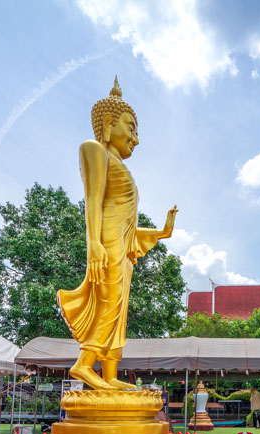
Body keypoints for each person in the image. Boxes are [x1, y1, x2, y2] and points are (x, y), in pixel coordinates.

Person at [57, 77, 178, 390]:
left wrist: (162, 232)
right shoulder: (94, 150)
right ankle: (84, 365)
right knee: (108, 302)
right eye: (131, 127)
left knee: (119, 310)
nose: (135, 139)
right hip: (106, 246)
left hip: (123, 250)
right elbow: (93, 200)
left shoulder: (121, 166)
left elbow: (125, 220)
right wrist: (93, 244)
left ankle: (109, 374)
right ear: (109, 123)